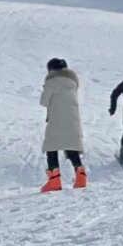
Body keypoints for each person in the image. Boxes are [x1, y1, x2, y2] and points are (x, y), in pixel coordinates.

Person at [40, 57, 86, 190]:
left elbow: (44, 101)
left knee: (51, 147)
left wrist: (45, 88)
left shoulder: (51, 80)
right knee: (71, 146)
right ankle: (81, 176)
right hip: (73, 120)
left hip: (56, 119)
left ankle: (54, 180)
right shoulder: (72, 82)